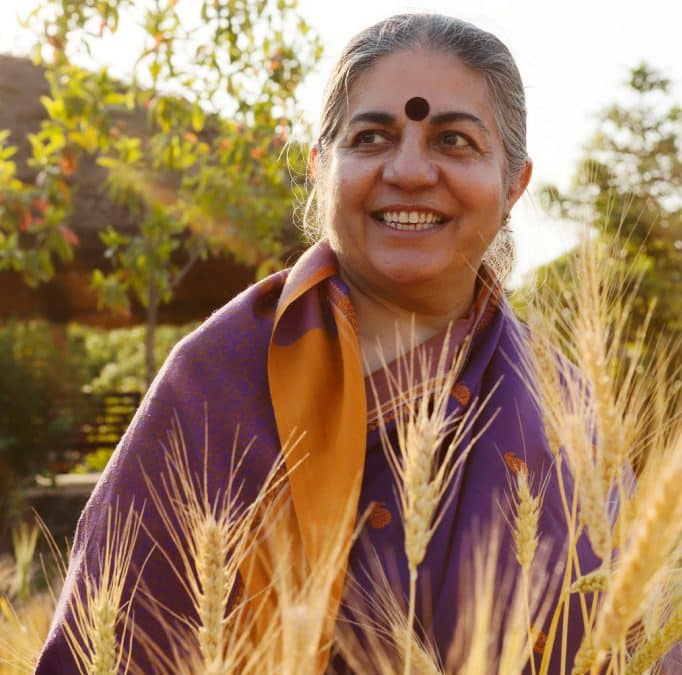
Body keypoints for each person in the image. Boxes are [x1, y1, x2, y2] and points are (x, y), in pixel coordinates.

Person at [36, 13, 599, 674]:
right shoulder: (215, 382)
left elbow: (631, 639)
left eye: (453, 140)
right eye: (372, 137)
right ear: (319, 167)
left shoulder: (561, 403)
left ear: (514, 185)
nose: (411, 170)